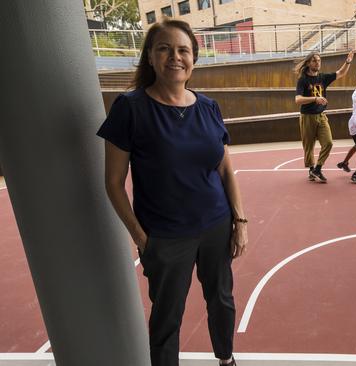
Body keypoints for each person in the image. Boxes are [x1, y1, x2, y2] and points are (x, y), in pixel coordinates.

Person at [97, 19, 246, 366]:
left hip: (216, 225)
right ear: (150, 56)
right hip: (164, 236)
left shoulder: (208, 107)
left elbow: (225, 167)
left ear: (193, 58)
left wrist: (240, 220)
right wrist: (141, 237)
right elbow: (113, 183)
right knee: (167, 318)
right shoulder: (130, 108)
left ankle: (226, 359)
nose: (174, 57)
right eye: (164, 48)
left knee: (222, 300)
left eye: (183, 50)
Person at [295, 50, 355, 183]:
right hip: (307, 117)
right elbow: (298, 100)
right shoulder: (303, 80)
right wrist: (315, 99)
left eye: (319, 60)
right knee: (309, 146)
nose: (317, 62)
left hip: (321, 116)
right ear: (308, 63)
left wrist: (348, 61)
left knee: (328, 142)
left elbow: (341, 73)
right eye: (314, 60)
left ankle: (318, 168)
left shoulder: (323, 78)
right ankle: (311, 170)